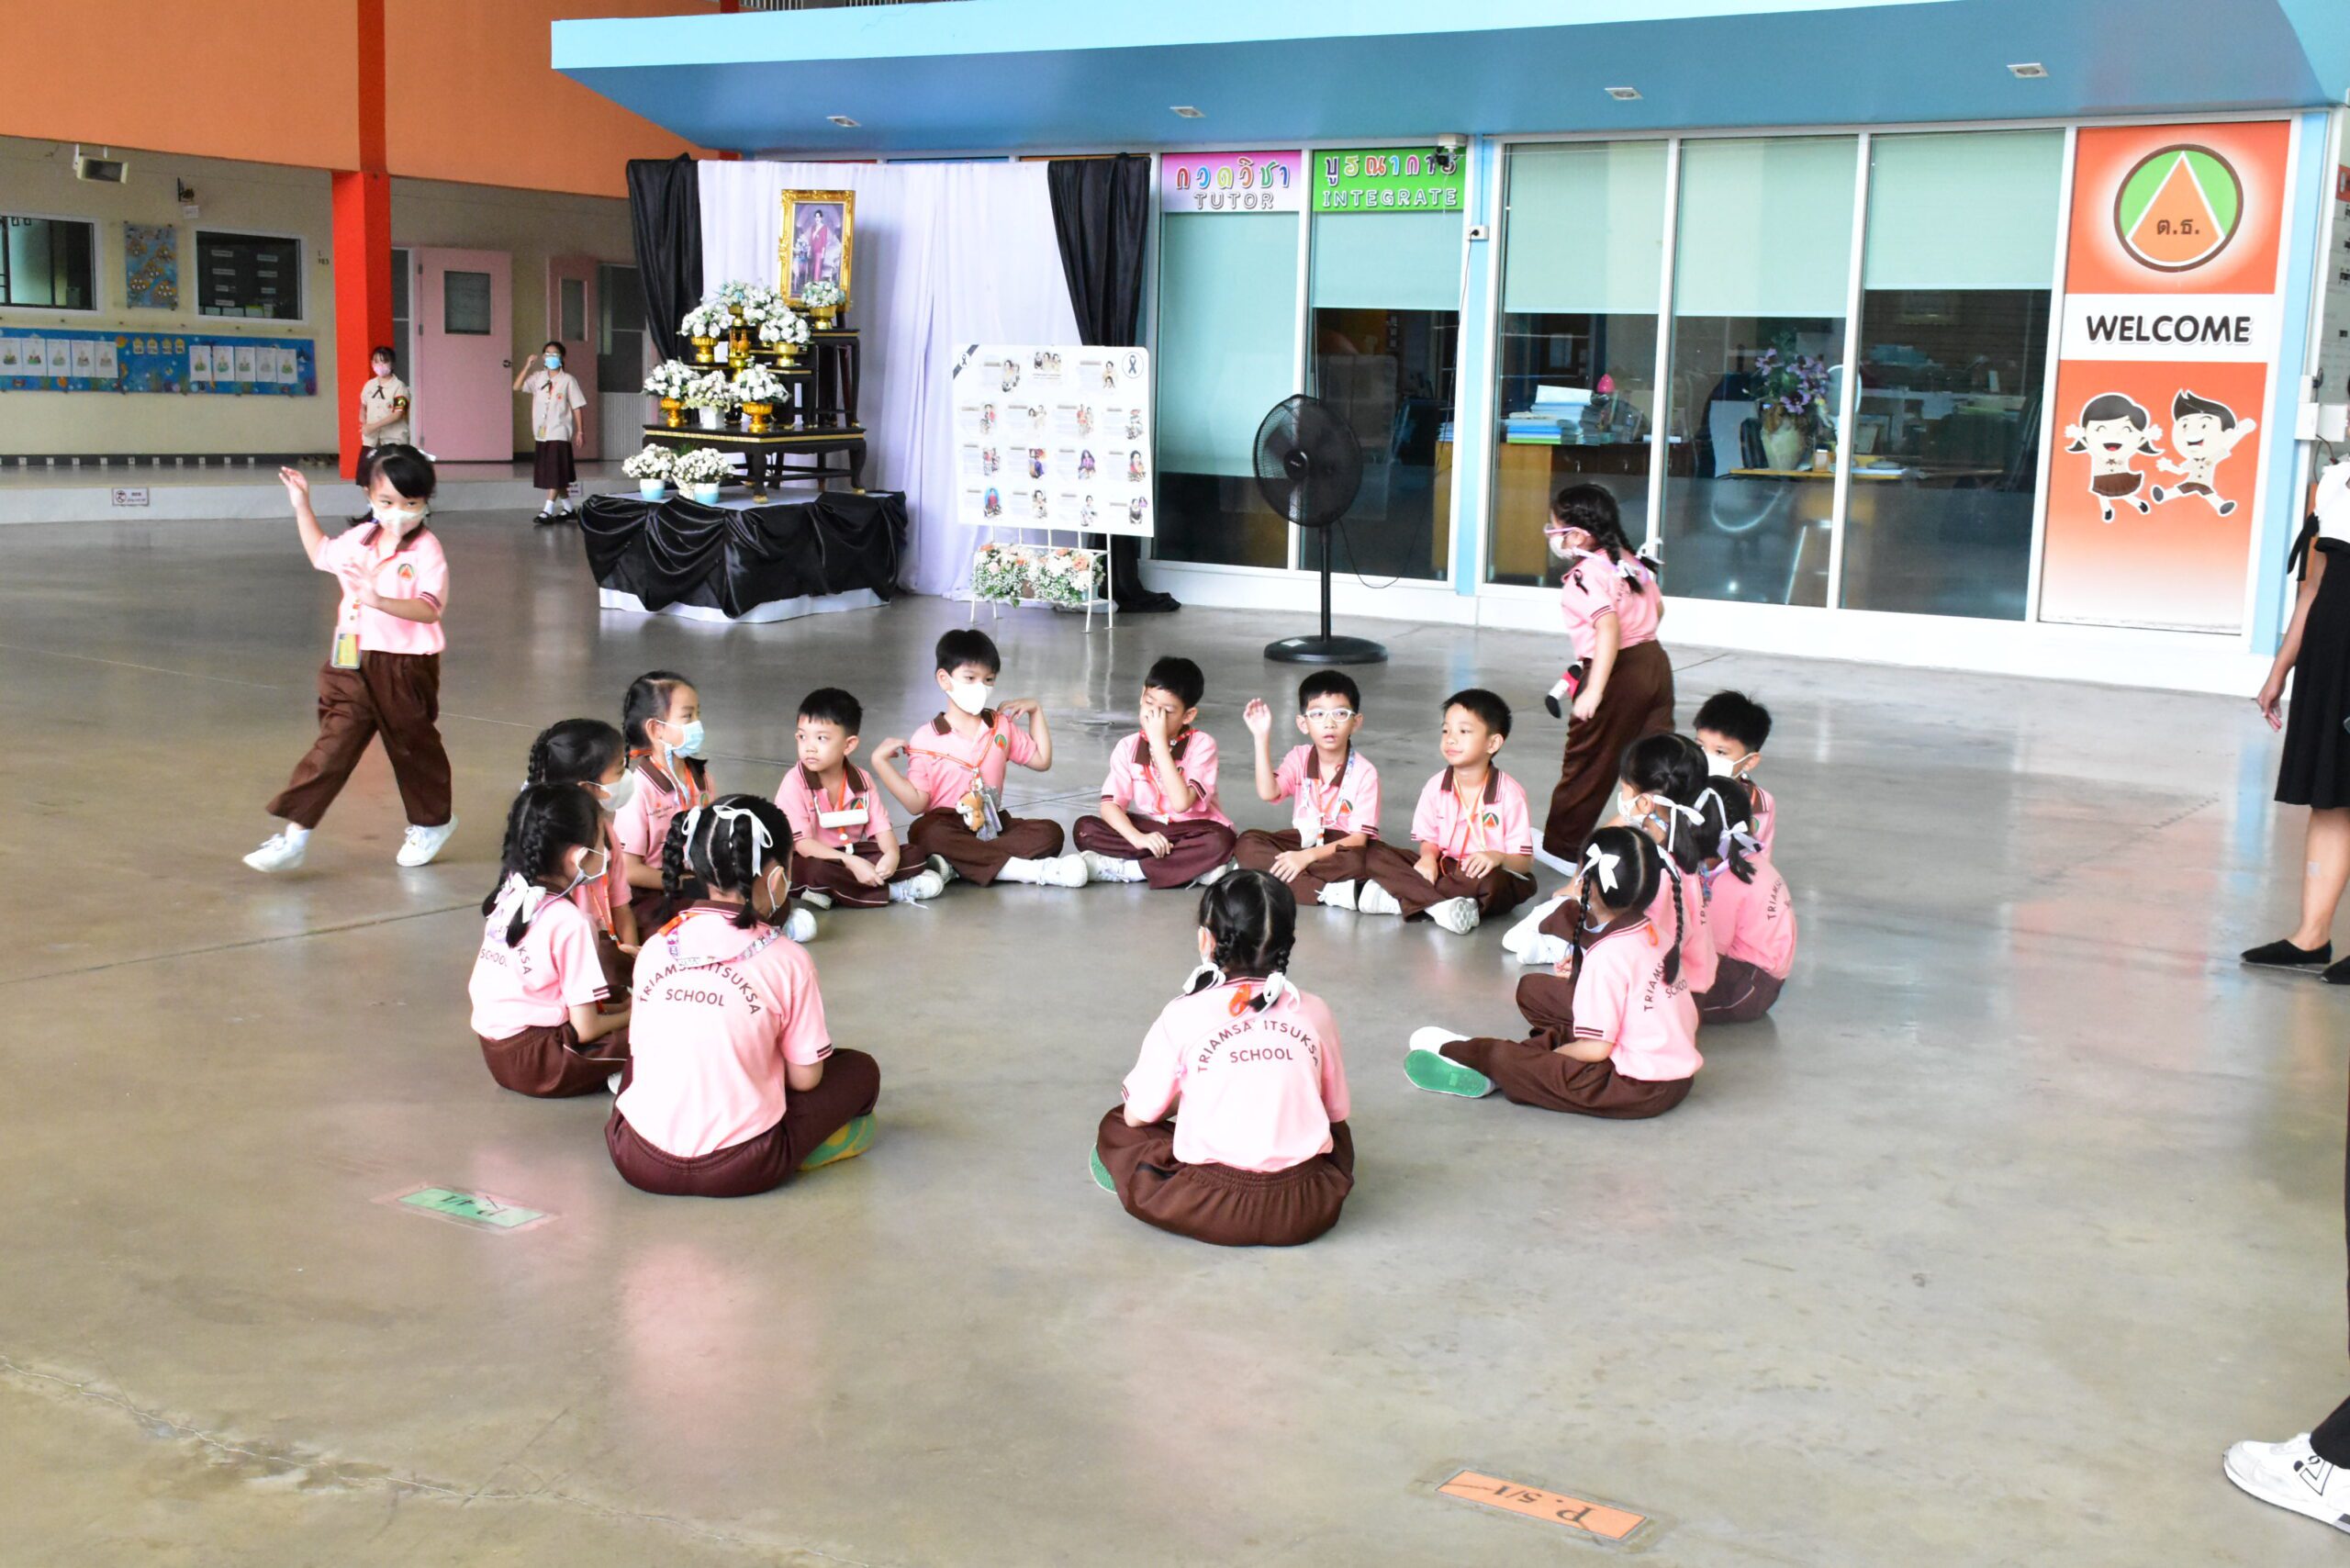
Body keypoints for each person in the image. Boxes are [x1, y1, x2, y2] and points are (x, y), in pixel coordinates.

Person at [607, 797, 879, 1197]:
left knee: (651, 1051)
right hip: (740, 1166)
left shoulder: (657, 945)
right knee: (860, 1071)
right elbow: (805, 1079)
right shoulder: (787, 958)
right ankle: (797, 1143)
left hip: (635, 1156)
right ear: (777, 876)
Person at [1091, 871, 1354, 1247]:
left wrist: (1185, 1098)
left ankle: (1145, 1173)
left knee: (1118, 1125)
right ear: (1288, 942)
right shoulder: (1315, 1011)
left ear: (1206, 940)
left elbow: (1138, 1116)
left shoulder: (1184, 1013)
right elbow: (1334, 1111)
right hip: (1308, 1204)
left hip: (1213, 1205)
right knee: (1338, 1134)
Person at [244, 446, 456, 873]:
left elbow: (429, 609)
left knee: (412, 748)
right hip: (349, 660)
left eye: (411, 503)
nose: (399, 513)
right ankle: (295, 837)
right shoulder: (360, 539)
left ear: (425, 502)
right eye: (387, 502)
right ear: (369, 496)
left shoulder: (426, 550)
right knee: (333, 746)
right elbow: (320, 553)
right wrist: (302, 504)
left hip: (404, 665)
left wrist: (380, 600)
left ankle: (433, 823)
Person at [1405, 826, 1697, 1119]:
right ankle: (1516, 1063)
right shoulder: (1656, 934)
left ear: (1588, 884)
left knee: (1508, 1057)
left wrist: (1553, 1061)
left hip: (1636, 1087)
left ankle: (1471, 1058)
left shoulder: (1607, 954)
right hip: (1676, 1076)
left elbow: (1596, 1050)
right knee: (1557, 1029)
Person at [874, 629, 1089, 888]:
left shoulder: (1001, 726)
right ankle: (1029, 871)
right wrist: (881, 764)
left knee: (1049, 832)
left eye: (988, 680)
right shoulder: (926, 737)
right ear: (944, 679)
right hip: (946, 823)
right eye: (970, 678)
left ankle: (958, 866)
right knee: (924, 833)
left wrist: (1036, 711)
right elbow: (916, 804)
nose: (980, 687)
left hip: (991, 824)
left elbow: (1041, 760)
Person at [2247, 464, 2350, 979]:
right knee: (2331, 796)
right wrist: (2279, 670)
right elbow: (2311, 590)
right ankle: (2311, 937)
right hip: (2331, 660)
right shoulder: (2336, 482)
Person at [1540, 484, 1674, 866]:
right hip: (1655, 663)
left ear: (1578, 535)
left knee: (1588, 762)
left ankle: (1562, 849)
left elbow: (1608, 628)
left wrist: (1594, 690)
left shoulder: (1585, 575)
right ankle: (1660, 839)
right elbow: (1658, 609)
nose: (1552, 537)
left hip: (1616, 671)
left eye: (1555, 529)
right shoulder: (1628, 561)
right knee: (1655, 761)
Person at [468, 784, 632, 1097]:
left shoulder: (512, 892)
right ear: (580, 856)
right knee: (657, 1027)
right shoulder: (570, 921)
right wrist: (632, 1014)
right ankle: (615, 1072)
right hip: (542, 1064)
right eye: (601, 842)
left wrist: (619, 1008)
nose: (606, 851)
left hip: (499, 1054)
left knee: (613, 997)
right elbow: (586, 1028)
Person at [1356, 689, 1536, 934]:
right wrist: (1428, 858)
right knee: (1373, 853)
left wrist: (1498, 857)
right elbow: (1429, 840)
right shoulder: (1436, 785)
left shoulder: (1510, 793)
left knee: (1492, 883)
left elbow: (1523, 863)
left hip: (1485, 874)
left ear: (1492, 743)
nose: (1450, 739)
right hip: (1444, 867)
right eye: (1445, 731)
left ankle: (1407, 899)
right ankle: (1441, 906)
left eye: (1464, 731)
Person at [1073, 656, 1238, 889]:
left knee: (1220, 842)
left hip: (1192, 830)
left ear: (1188, 715)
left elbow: (1181, 803)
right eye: (1150, 703)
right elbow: (1110, 806)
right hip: (1150, 829)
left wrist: (1159, 744)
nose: (1154, 716)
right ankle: (1189, 867)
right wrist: (1138, 839)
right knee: (1085, 829)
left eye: (1167, 711)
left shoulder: (1202, 745)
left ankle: (1129, 869)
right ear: (1142, 695)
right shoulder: (1128, 746)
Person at [775, 687, 946, 910]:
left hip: (852, 851)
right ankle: (895, 891)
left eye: (821, 738)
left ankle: (835, 891)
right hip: (813, 858)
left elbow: (882, 829)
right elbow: (803, 845)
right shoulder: (795, 782)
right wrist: (851, 863)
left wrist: (892, 855)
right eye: (802, 737)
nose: (809, 747)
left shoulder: (862, 780)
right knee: (816, 872)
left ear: (849, 745)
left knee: (914, 854)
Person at [1234, 672, 1380, 909]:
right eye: (1318, 714)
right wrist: (1261, 738)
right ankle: (1329, 892)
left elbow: (1358, 840)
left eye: (1340, 714)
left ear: (1356, 722)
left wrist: (1306, 857)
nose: (1329, 723)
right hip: (1306, 838)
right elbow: (1269, 792)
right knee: (1247, 842)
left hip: (1342, 847)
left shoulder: (1365, 772)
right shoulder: (1299, 757)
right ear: (1303, 723)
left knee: (1361, 861)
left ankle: (1267, 876)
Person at [524, 718, 641, 992]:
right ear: (586, 788)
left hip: (601, 954)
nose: (627, 777)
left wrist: (634, 970)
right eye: (619, 770)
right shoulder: (541, 845)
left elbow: (621, 908)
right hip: (560, 967)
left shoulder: (607, 834)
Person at [614, 670, 735, 935]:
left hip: (696, 881)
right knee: (702, 921)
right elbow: (629, 870)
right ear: (656, 729)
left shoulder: (702, 777)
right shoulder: (638, 789)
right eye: (688, 717)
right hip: (654, 893)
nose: (697, 725)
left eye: (698, 715)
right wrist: (682, 884)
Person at [1684, 776, 1795, 1023]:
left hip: (1746, 987)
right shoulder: (1751, 862)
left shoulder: (1729, 883)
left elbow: (1709, 954)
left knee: (1664, 996)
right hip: (1762, 979)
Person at [1692, 689, 1778, 858]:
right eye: (1700, 747)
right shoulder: (1677, 791)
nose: (1706, 757)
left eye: (1720, 752)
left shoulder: (1761, 805)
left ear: (1749, 761)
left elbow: (1760, 859)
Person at [515, 340, 587, 524]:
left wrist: (580, 431)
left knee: (555, 471)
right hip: (542, 432)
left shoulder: (568, 380)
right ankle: (569, 508)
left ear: (562, 358)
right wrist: (527, 366)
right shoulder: (538, 378)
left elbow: (577, 406)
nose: (551, 357)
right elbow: (517, 386)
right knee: (555, 472)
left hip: (559, 431)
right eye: (547, 354)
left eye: (555, 354)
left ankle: (547, 510)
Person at [358, 345, 410, 454]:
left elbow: (398, 414)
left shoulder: (399, 387)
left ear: (392, 364)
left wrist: (372, 427)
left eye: (385, 362)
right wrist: (363, 419)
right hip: (371, 440)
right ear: (372, 363)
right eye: (377, 362)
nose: (380, 366)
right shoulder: (369, 385)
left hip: (393, 440)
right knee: (365, 463)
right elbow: (363, 404)